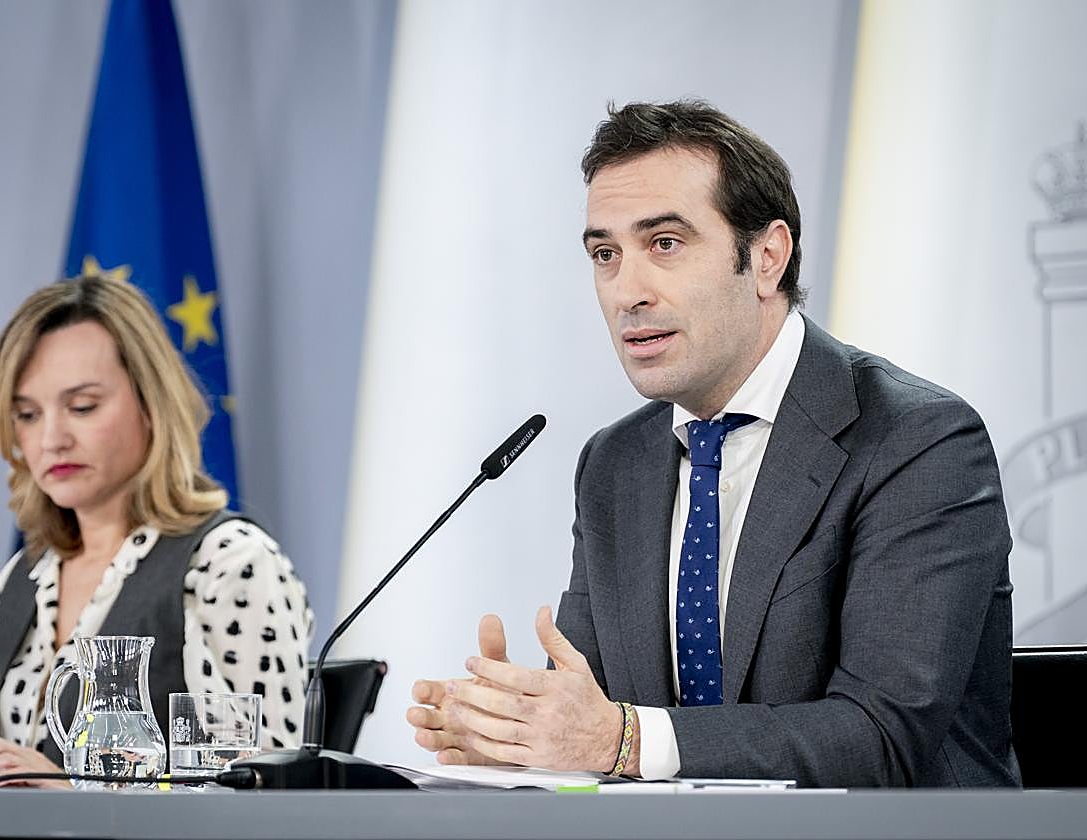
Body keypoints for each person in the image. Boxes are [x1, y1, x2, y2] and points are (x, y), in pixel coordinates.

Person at [407, 100, 1019, 787]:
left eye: (664, 244)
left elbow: (879, 738)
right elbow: (593, 725)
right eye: (605, 254)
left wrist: (622, 740)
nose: (626, 291)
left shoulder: (917, 441)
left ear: (766, 258)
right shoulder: (614, 466)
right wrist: (522, 741)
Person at [0, 275, 312, 785]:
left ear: (152, 406)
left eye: (83, 407)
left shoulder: (227, 563)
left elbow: (269, 791)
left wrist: (76, 791)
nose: (50, 439)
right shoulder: (22, 579)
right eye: (27, 414)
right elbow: (15, 788)